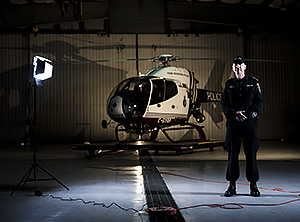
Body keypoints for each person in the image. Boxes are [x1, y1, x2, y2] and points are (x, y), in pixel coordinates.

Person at [221, 56, 263, 197]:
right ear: (233, 68)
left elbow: (259, 102)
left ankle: (253, 185)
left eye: (240, 65)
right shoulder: (229, 84)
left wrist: (249, 114)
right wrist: (234, 114)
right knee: (232, 154)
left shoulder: (253, 83)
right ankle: (232, 185)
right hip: (234, 123)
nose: (238, 68)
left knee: (251, 153)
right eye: (235, 66)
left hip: (249, 123)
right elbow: (224, 103)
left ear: (245, 67)